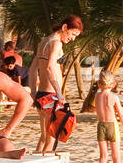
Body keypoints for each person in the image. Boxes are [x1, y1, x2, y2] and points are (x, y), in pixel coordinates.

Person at [27, 15, 83, 153]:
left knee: (44, 137)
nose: (73, 38)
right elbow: (50, 67)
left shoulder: (44, 41)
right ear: (64, 27)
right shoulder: (56, 43)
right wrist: (59, 93)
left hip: (41, 94)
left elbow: (33, 69)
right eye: (73, 33)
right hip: (51, 96)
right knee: (51, 139)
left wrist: (34, 91)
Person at [92, 70, 123, 163]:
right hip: (112, 126)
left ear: (99, 84)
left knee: (103, 156)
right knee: (116, 156)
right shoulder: (114, 97)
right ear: (113, 84)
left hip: (101, 126)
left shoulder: (97, 96)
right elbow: (121, 115)